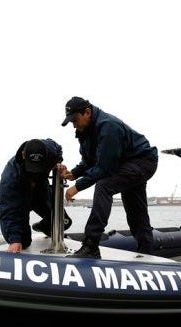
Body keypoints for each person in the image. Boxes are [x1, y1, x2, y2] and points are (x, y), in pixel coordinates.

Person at [58, 96, 158, 259]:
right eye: (71, 122)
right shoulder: (85, 131)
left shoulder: (108, 127)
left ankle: (91, 245)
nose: (74, 125)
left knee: (104, 185)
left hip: (142, 161)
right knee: (136, 211)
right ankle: (147, 254)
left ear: (87, 112)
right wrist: (74, 173)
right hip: (123, 163)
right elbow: (90, 161)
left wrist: (77, 187)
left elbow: (104, 168)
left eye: (75, 120)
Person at [0, 138, 72, 253]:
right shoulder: (10, 177)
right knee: (23, 242)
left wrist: (58, 162)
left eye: (38, 168)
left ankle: (41, 226)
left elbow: (58, 149)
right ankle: (21, 237)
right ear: (23, 155)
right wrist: (15, 240)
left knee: (65, 222)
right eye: (32, 168)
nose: (35, 173)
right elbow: (9, 209)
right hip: (21, 196)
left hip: (40, 192)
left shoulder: (51, 150)